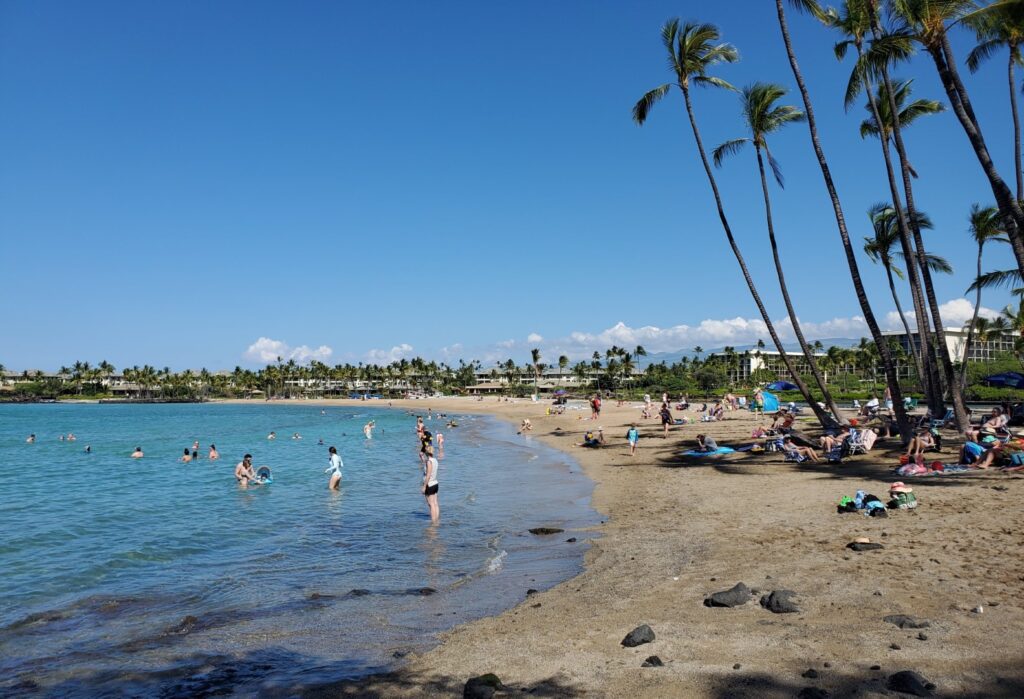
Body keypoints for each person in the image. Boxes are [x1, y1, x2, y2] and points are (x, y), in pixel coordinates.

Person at [422, 445, 440, 522]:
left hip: (429, 484)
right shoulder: (435, 460)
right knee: (435, 503)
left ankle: (433, 522)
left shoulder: (429, 462)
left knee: (431, 504)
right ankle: (437, 520)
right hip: (435, 483)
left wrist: (424, 486)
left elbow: (428, 474)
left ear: (426, 452)